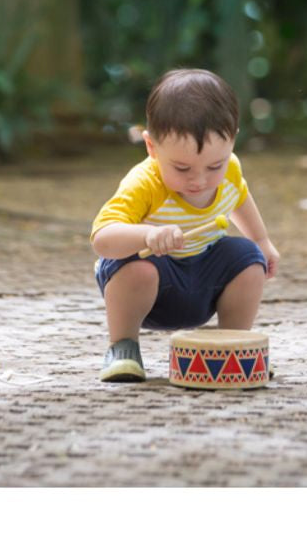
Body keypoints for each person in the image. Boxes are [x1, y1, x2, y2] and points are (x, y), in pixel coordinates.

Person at [90, 68, 280, 383]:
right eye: (182, 168)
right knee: (137, 267)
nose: (200, 180)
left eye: (214, 166)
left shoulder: (230, 170)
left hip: (201, 280)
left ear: (233, 141)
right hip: (150, 291)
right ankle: (123, 346)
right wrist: (148, 235)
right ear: (151, 147)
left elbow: (240, 197)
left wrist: (261, 240)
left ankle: (233, 347)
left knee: (248, 259)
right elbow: (102, 238)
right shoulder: (144, 183)